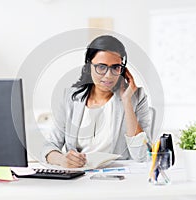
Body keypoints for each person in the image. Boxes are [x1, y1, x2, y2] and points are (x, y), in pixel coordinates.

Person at [41, 35, 151, 168]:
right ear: (89, 66)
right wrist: (62, 159)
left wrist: (127, 102)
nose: (108, 75)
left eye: (115, 67)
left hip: (118, 179)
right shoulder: (70, 98)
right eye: (101, 67)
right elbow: (49, 146)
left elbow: (141, 155)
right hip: (78, 177)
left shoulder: (136, 97)